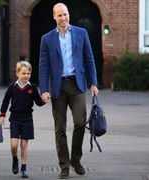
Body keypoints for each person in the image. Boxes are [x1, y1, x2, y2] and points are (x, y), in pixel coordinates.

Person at [39, 3, 99, 179]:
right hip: (58, 87)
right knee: (60, 128)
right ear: (54, 17)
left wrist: (93, 82)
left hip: (77, 84)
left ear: (69, 15)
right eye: (59, 15)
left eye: (65, 14)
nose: (63, 18)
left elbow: (89, 59)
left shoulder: (81, 33)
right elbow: (43, 67)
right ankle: (64, 165)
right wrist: (43, 90)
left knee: (80, 122)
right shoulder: (47, 39)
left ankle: (75, 159)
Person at [0, 61, 45, 178]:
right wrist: (2, 114)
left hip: (27, 119)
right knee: (14, 145)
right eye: (23, 73)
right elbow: (5, 101)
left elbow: (38, 102)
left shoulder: (32, 88)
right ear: (17, 73)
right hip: (15, 119)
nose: (26, 76)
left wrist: (44, 100)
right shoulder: (12, 88)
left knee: (24, 145)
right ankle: (15, 158)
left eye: (28, 73)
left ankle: (23, 168)